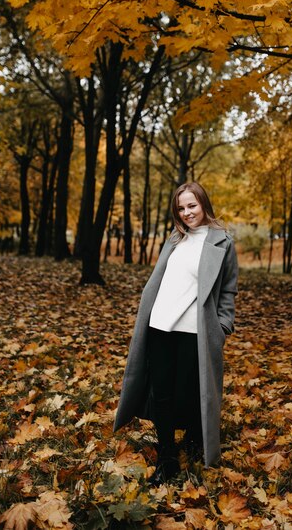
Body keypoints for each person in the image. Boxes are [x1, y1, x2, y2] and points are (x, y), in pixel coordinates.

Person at [113, 181, 238, 485]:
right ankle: (167, 457)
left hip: (193, 330)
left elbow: (228, 292)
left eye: (192, 206)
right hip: (159, 325)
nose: (186, 213)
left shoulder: (222, 242)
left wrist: (221, 328)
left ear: (203, 203)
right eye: (181, 208)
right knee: (162, 394)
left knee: (189, 391)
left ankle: (195, 438)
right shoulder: (174, 239)